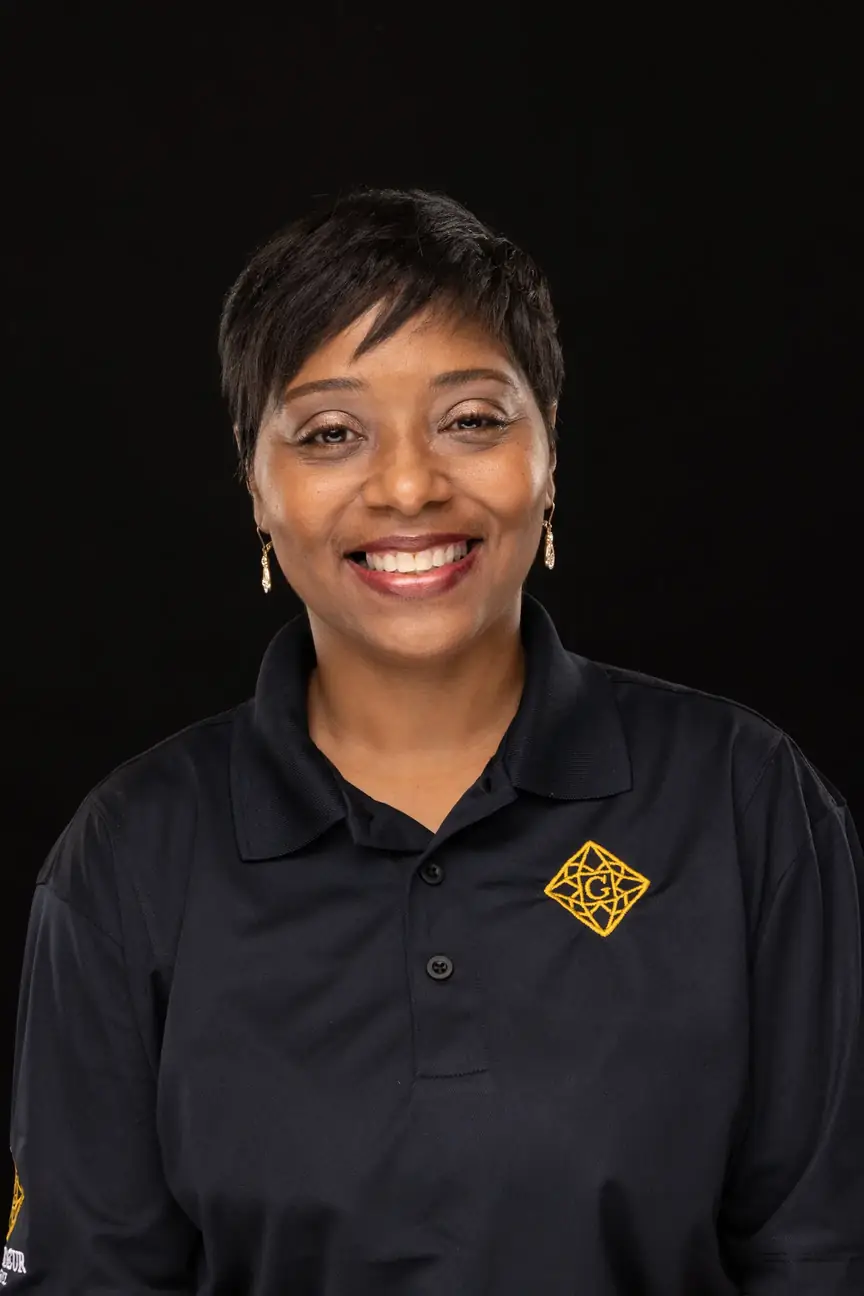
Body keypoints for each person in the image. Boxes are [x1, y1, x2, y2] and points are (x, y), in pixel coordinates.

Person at [4, 188, 863, 1295]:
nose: (409, 485)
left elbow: (822, 1254)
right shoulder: (130, 860)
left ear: (548, 450)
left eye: (471, 419)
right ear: (254, 484)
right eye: (329, 433)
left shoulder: (745, 805)